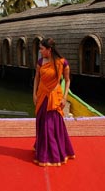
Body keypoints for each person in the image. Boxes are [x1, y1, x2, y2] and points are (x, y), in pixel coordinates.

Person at [32, 38, 75, 166]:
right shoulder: (40, 62)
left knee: (51, 125)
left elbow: (67, 81)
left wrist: (65, 97)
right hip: (41, 96)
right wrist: (34, 94)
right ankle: (42, 149)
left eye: (42, 49)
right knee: (41, 123)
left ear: (49, 50)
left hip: (55, 97)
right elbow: (36, 78)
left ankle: (55, 153)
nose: (40, 51)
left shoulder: (62, 63)